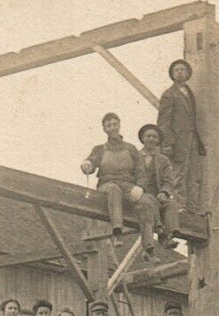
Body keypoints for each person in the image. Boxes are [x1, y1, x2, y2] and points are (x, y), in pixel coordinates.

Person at [82, 113, 150, 245]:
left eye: (114, 124)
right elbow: (91, 162)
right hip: (107, 185)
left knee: (146, 201)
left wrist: (140, 187)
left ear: (119, 125)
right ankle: (118, 231)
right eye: (108, 126)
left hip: (127, 186)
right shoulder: (100, 149)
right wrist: (87, 165)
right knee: (114, 189)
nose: (112, 128)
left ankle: (149, 246)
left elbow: (141, 172)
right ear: (104, 129)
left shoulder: (131, 149)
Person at [158, 59, 204, 210]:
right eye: (176, 70)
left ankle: (192, 208)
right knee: (179, 174)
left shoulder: (189, 93)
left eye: (182, 70)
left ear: (188, 73)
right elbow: (164, 121)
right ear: (172, 74)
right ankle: (179, 205)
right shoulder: (169, 94)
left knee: (194, 175)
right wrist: (168, 143)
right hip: (178, 141)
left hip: (192, 140)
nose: (179, 72)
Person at [135, 124, 179, 249]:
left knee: (171, 204)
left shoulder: (163, 160)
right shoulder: (134, 157)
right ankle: (161, 232)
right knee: (148, 200)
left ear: (158, 141)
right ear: (143, 138)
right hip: (140, 195)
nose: (151, 139)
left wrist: (164, 192)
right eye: (148, 136)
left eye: (154, 137)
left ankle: (169, 235)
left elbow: (168, 181)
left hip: (157, 196)